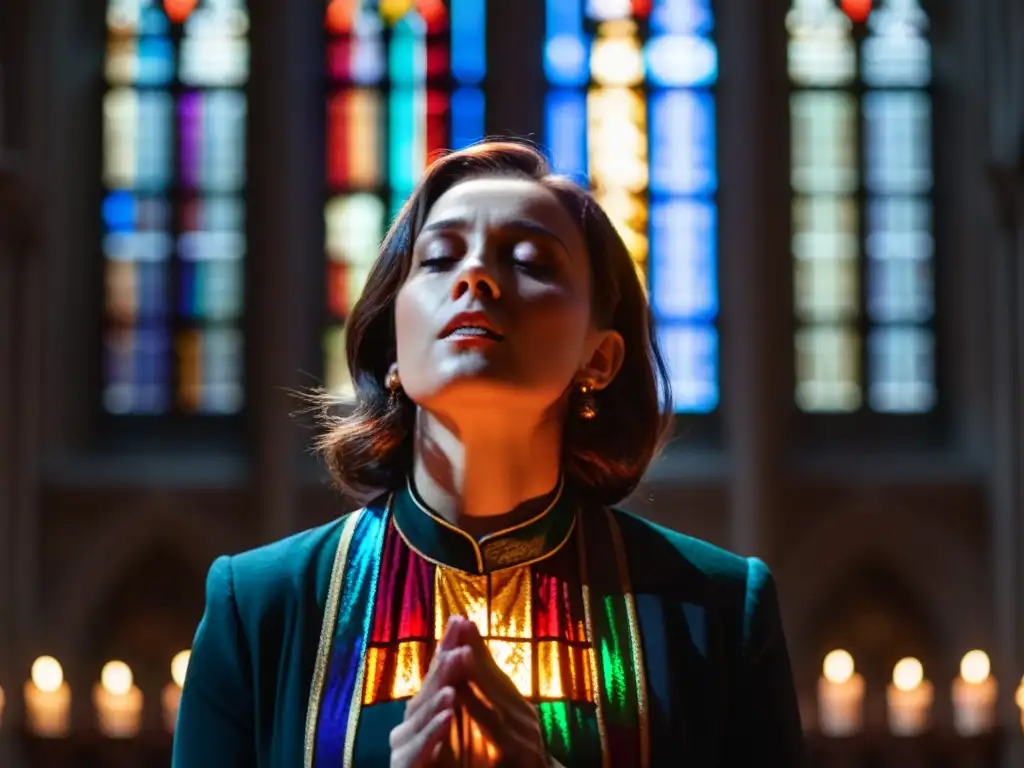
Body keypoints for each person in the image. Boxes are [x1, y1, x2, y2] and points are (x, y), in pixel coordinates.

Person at [172, 141, 806, 767]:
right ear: (393, 346)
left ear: (599, 358)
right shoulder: (262, 605)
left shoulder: (717, 609)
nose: (474, 275)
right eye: (439, 258)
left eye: (529, 261)